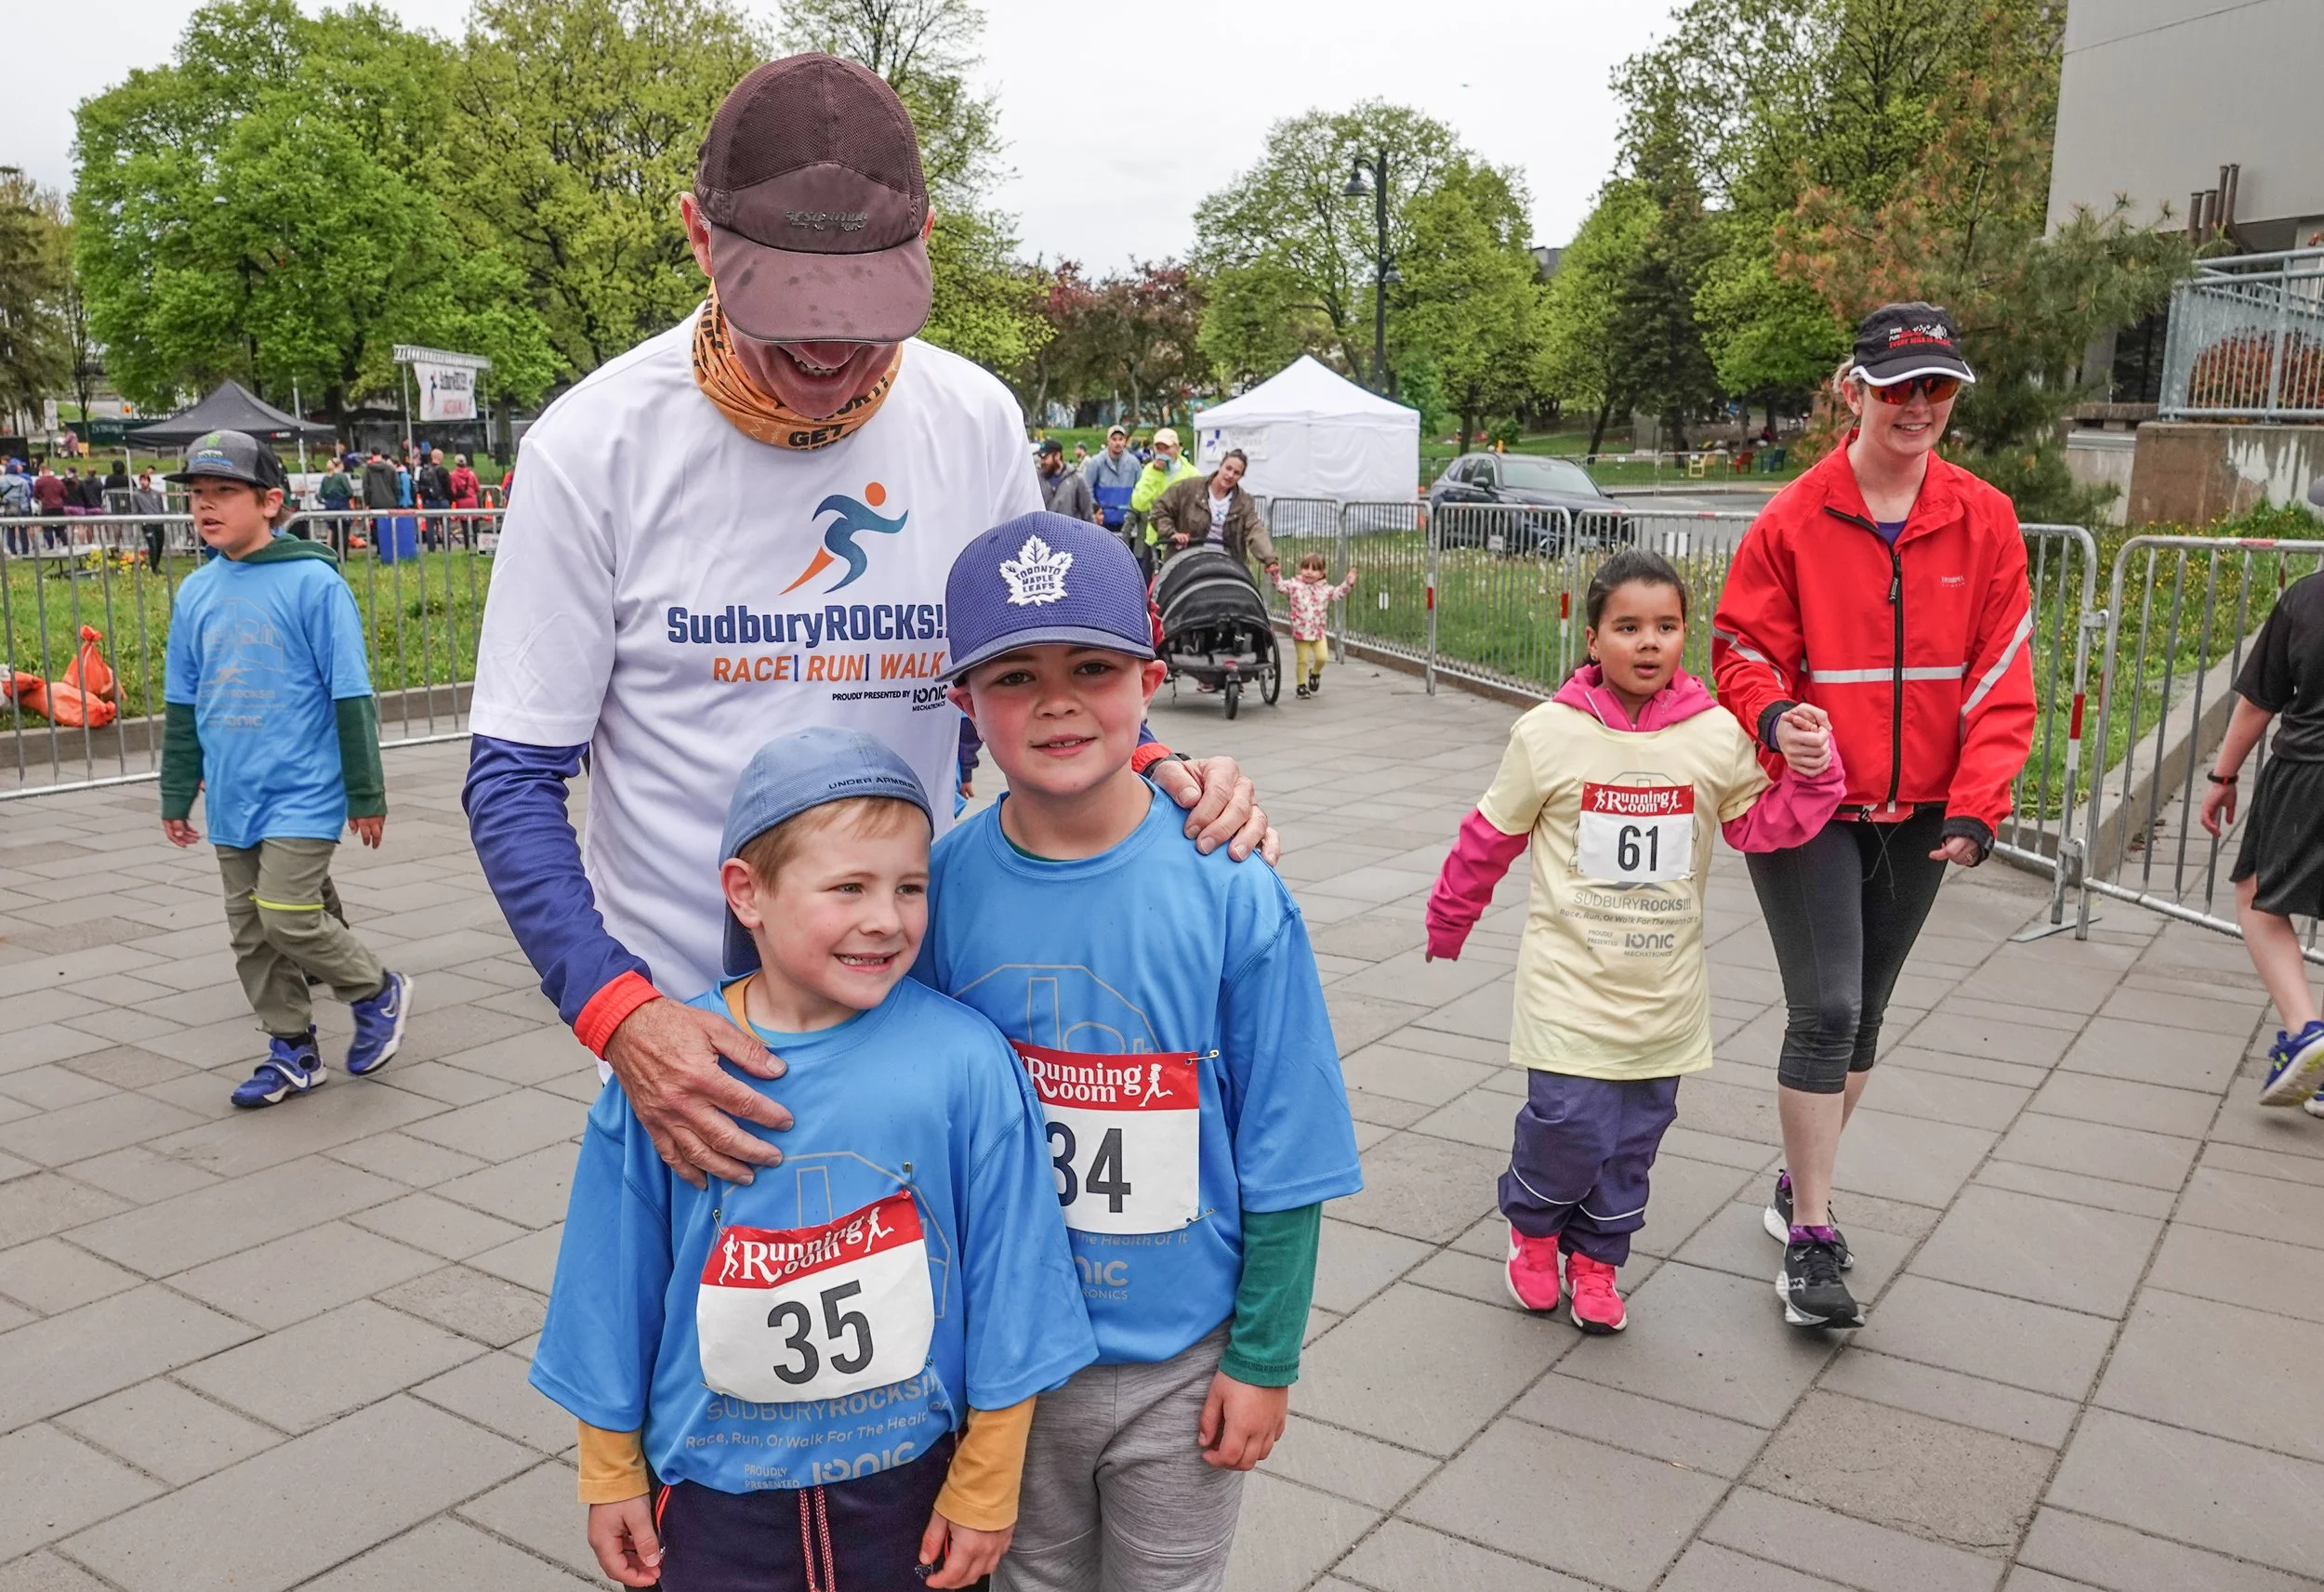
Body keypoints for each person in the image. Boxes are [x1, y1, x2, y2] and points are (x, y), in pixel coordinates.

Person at [464, 53, 1273, 1194]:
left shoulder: (971, 418)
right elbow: (511, 781)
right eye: (788, 311)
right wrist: (622, 1019)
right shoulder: (592, 448)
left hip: (917, 1004)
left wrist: (1152, 763)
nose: (828, 354)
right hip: (697, 1044)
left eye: (864, 314)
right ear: (698, 237)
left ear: (924, 240)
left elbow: (1036, 667)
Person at [531, 727, 1094, 1592]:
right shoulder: (676, 1074)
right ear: (746, 892)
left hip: (913, 1485)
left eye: (911, 886)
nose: (887, 918)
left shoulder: (967, 1061)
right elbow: (610, 1287)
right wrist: (610, 1472)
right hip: (715, 1495)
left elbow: (1015, 1278)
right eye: (849, 886)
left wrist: (987, 1478)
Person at [921, 513, 1362, 1592]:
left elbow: (1288, 1150)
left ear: (1150, 682)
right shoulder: (934, 894)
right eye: (1014, 677)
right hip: (1004, 1365)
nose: (1057, 701)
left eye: (1091, 667)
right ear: (964, 704)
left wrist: (1263, 1357)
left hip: (1181, 1369)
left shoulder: (1233, 889)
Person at [1711, 302, 2034, 1329]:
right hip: (1810, 804)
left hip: (1922, 813)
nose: (1919, 405)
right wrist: (1778, 716)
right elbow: (1741, 650)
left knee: (1866, 1017)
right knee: (1828, 1009)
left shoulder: (1985, 519)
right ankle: (1811, 1234)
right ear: (1853, 391)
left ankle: (1794, 1183)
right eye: (1898, 387)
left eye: (1937, 387)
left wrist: (1977, 805)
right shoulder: (1793, 518)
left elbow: (2001, 676)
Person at [1426, 550, 1844, 1332]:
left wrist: (1814, 774)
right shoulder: (1548, 733)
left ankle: (1597, 1259)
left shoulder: (1715, 735)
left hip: (1664, 995)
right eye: (1627, 626)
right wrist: (1450, 917)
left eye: (1666, 626)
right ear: (1592, 638)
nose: (1648, 642)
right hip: (1568, 989)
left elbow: (1761, 825)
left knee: (1633, 1141)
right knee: (1568, 1123)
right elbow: (1490, 835)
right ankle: (1533, 1232)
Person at [154, 430, 414, 1109]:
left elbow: (350, 693)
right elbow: (183, 700)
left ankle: (376, 989)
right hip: (233, 794)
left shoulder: (314, 583)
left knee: (287, 914)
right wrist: (177, 790)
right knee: (251, 933)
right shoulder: (196, 593)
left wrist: (365, 792)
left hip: (304, 787)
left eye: (224, 492)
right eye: (197, 495)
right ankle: (293, 1049)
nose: (206, 507)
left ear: (271, 502)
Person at [2200, 487, 2324, 1112]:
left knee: (2255, 892)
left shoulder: (2306, 599)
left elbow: (2258, 702)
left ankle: (2307, 1031)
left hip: (2308, 774)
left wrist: (2222, 776)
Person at [1150, 449, 1275, 576]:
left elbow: (1255, 529)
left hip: (1228, 564)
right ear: (1220, 465)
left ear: (1241, 477)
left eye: (1236, 473)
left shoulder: (1244, 502)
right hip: (1185, 560)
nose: (1230, 475)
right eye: (1228, 468)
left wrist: (1270, 559)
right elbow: (1160, 508)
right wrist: (1171, 533)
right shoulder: (1190, 487)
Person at [1273, 552, 1357, 699]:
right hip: (1300, 631)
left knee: (1322, 657)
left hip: (1318, 631)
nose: (1309, 572)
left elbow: (1338, 594)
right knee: (1303, 660)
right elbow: (1280, 587)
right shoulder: (1294, 585)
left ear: (1322, 573)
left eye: (1314, 569)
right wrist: (1275, 574)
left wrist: (1348, 583)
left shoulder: (1325, 589)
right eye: (1305, 568)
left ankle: (1315, 673)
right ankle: (1301, 685)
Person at [1086, 424, 1142, 543]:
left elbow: (1140, 489)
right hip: (1102, 522)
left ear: (1125, 441)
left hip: (1127, 522)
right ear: (1108, 441)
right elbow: (1087, 489)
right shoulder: (1095, 462)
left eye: (1121, 439)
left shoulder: (1134, 463)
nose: (1117, 443)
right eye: (1114, 439)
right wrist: (1095, 509)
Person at [1036, 438, 1095, 521]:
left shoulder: (1076, 479)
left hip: (1070, 529)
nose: (1042, 462)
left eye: (1045, 458)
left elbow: (1087, 513)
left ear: (1057, 455)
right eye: (1041, 458)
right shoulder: (1038, 479)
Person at [130, 469, 167, 571]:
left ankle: (156, 565)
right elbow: (135, 510)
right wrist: (141, 521)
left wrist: (162, 518)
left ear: (149, 481)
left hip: (158, 522)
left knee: (159, 545)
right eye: (141, 480)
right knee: (153, 545)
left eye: (145, 480)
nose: (143, 482)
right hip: (147, 524)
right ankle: (154, 568)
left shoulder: (156, 494)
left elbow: (161, 508)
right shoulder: (136, 495)